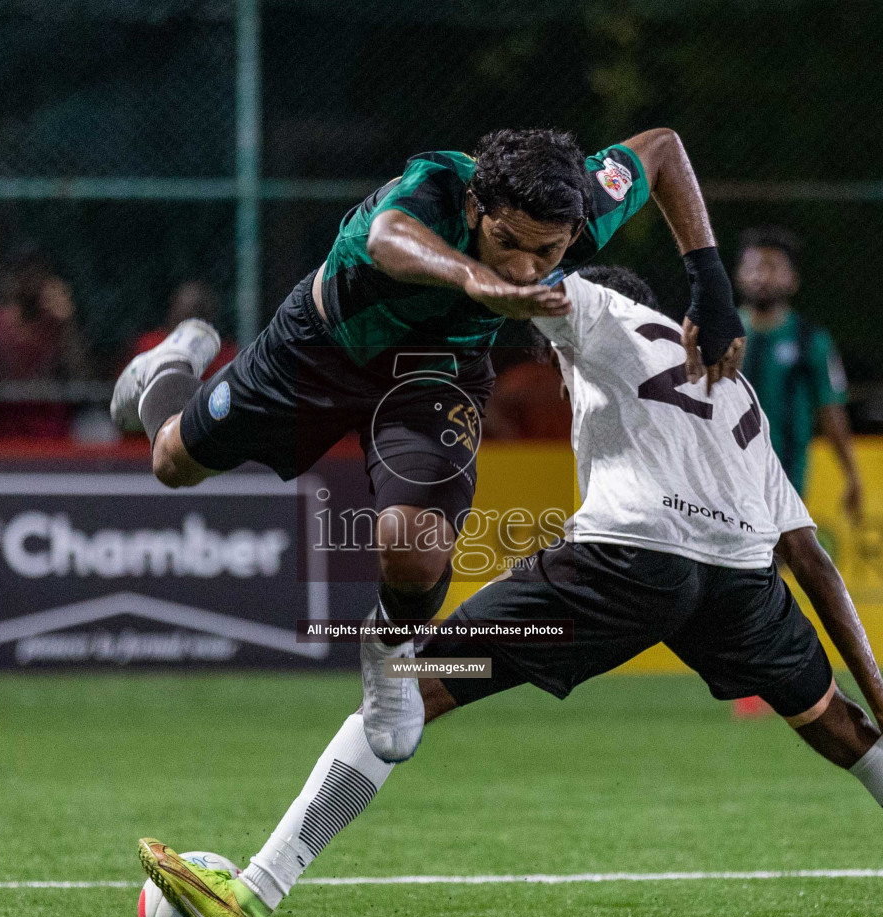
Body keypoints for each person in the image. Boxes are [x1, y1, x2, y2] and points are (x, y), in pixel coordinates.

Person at [135, 266, 883, 917]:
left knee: (405, 688)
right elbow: (809, 558)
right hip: (738, 580)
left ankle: (255, 894)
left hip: (628, 559)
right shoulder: (733, 385)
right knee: (848, 732)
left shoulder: (599, 310)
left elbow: (509, 280)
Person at [109, 127, 747, 763]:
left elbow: (662, 150)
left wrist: (709, 283)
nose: (524, 267)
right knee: (171, 461)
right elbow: (387, 240)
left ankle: (390, 660)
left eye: (546, 251)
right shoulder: (439, 183)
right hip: (318, 351)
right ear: (475, 209)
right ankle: (172, 362)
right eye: (507, 243)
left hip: (434, 373)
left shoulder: (580, 203)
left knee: (415, 549)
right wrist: (474, 278)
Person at [735, 226, 862, 519]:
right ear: (739, 275)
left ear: (793, 280)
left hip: (786, 479)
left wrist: (851, 474)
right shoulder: (719, 336)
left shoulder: (811, 341)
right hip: (724, 476)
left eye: (773, 268)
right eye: (754, 267)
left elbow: (831, 411)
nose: (762, 277)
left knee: (770, 559)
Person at [0, 247, 89, 438]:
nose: (31, 282)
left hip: (47, 425)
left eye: (37, 274)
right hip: (1, 424)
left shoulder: (54, 322)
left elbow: (80, 373)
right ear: (12, 279)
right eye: (25, 274)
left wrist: (68, 324)